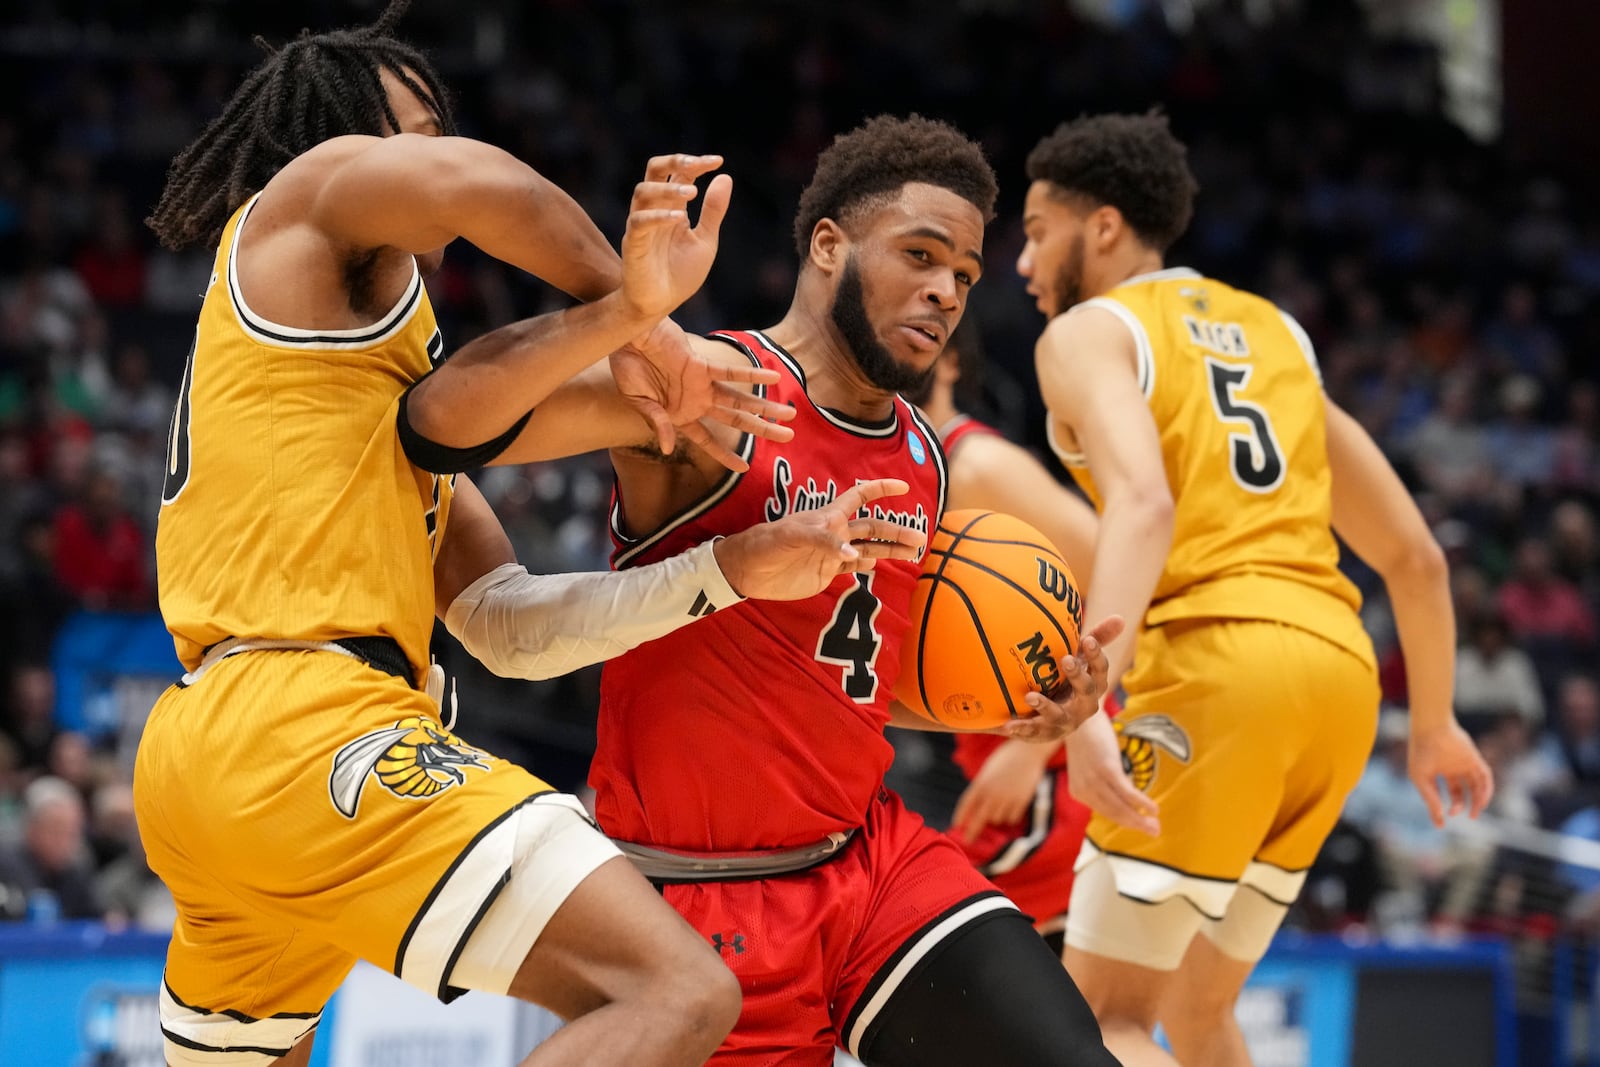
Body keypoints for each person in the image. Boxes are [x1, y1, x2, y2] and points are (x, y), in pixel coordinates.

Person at [134, 6, 930, 1066]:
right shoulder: (306, 195)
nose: (427, 147)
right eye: (407, 129)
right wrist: (645, 313)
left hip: (217, 756)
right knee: (677, 988)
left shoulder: (335, 395)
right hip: (303, 729)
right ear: (339, 139)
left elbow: (508, 626)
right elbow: (475, 185)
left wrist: (725, 570)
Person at [501, 114, 1122, 1066]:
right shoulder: (717, 386)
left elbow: (857, 681)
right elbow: (469, 426)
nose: (944, 291)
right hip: (697, 901)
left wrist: (1012, 707)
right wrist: (625, 317)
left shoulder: (923, 455)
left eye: (962, 274)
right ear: (828, 244)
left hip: (871, 865)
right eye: (920, 255)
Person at [1015, 111, 1494, 1067]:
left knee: (1099, 1017)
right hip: (1339, 683)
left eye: (1033, 232)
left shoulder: (1087, 334)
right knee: (1198, 1013)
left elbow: (1144, 505)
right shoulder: (1278, 335)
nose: (1022, 265)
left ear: (1102, 228)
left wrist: (1085, 698)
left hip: (1219, 666)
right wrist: (1434, 721)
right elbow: (1416, 557)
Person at [904, 319, 1103, 953]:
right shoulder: (903, 472)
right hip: (985, 745)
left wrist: (1031, 751)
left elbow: (1121, 575)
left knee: (923, 942)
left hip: (1055, 763)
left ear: (954, 362)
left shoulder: (978, 463)